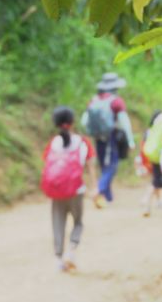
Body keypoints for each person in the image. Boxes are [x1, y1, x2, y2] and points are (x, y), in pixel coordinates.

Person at [41, 106, 97, 272]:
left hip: (56, 190)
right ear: (72, 122)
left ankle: (59, 258)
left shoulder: (53, 142)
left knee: (57, 223)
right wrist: (94, 188)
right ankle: (71, 251)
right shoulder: (82, 141)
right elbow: (90, 165)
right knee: (78, 222)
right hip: (76, 190)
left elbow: (48, 164)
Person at [81, 72, 135, 208]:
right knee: (111, 166)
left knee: (104, 165)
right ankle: (98, 191)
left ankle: (108, 197)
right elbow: (124, 121)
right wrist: (130, 140)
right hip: (111, 137)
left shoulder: (94, 100)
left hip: (98, 137)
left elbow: (84, 121)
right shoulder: (116, 101)